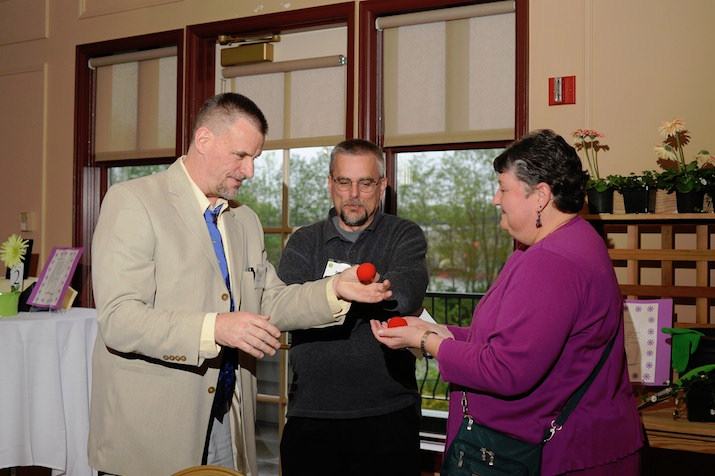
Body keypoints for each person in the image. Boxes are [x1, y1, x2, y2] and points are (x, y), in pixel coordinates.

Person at [88, 93, 393, 476]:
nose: (250, 171)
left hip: (228, 423)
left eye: (255, 158)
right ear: (203, 140)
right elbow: (120, 320)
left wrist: (334, 290)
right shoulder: (133, 201)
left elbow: (271, 299)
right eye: (241, 156)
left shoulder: (244, 219)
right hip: (152, 432)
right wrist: (216, 326)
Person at [372, 130, 643, 475]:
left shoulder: (552, 261)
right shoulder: (575, 241)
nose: (495, 199)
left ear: (540, 195)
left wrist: (427, 342)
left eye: (503, 188)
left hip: (553, 455)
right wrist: (437, 329)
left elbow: (506, 369)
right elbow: (517, 342)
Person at [277, 139, 429, 476]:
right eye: (344, 182)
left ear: (383, 186)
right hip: (311, 417)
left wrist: (321, 298)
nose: (354, 194)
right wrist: (360, 292)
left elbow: (406, 297)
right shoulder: (304, 241)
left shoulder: (404, 234)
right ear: (330, 184)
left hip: (388, 416)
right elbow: (285, 307)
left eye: (366, 183)